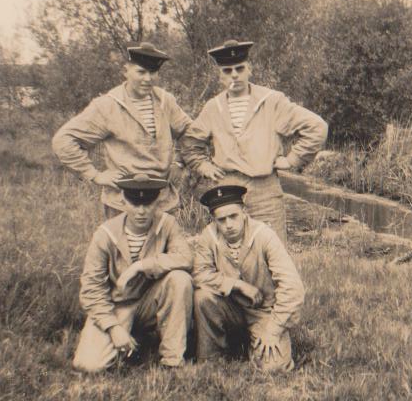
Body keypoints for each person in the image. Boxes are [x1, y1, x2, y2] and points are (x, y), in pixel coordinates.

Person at [181, 39, 328, 244]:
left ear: (249, 69)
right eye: (227, 71)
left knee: (272, 249)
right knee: (230, 250)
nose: (234, 75)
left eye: (239, 68)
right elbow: (190, 142)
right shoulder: (213, 107)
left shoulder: (272, 101)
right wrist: (203, 165)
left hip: (264, 191)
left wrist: (292, 159)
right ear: (220, 76)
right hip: (227, 188)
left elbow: (316, 127)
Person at [52, 42, 192, 218]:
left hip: (163, 202)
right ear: (126, 71)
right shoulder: (107, 105)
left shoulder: (165, 101)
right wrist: (94, 175)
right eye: (141, 72)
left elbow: (191, 132)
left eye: (153, 72)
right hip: (123, 203)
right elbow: (63, 140)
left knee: (168, 237)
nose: (148, 79)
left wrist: (179, 162)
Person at [72, 174, 193, 372]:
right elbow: (92, 290)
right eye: (135, 203)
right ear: (123, 200)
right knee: (88, 365)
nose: (141, 211)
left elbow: (186, 258)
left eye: (148, 203)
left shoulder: (167, 224)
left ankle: (172, 360)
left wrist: (141, 265)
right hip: (116, 306)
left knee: (180, 279)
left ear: (157, 201)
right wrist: (113, 327)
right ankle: (133, 337)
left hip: (150, 303)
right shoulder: (105, 234)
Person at [192, 185, 305, 372]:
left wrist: (273, 330)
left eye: (233, 216)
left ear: (244, 212)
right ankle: (213, 355)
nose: (228, 224)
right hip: (229, 307)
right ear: (213, 219)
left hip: (263, 312)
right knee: (202, 297)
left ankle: (254, 342)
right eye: (221, 220)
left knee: (273, 367)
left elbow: (292, 287)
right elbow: (199, 274)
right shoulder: (209, 235)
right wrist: (237, 285)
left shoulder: (264, 235)